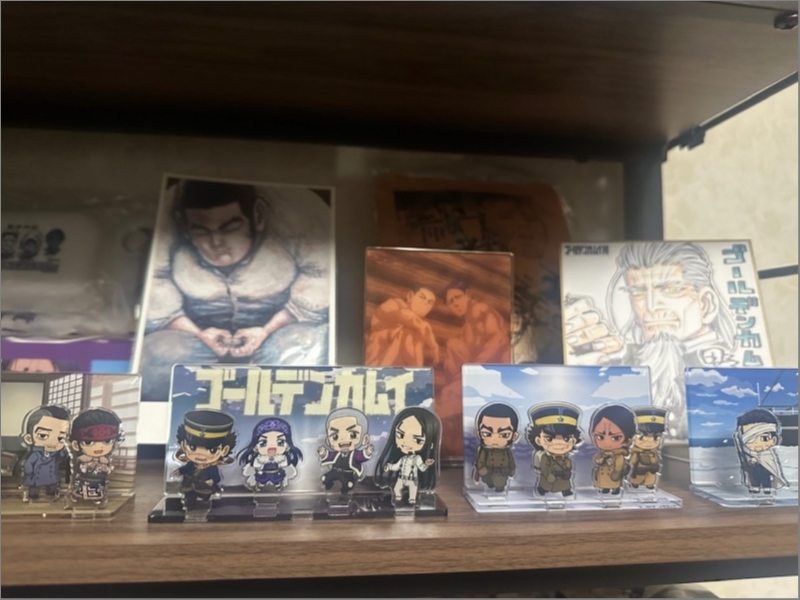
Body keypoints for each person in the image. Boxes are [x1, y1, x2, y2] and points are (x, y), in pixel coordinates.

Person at [140, 178, 330, 401]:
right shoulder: (168, 232)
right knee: (156, 355)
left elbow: (322, 278)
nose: (217, 242)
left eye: (231, 228)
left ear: (257, 216)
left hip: (280, 332)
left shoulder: (297, 224)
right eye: (202, 231)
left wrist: (266, 330)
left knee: (305, 348)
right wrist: (198, 333)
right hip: (192, 336)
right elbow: (155, 286)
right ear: (184, 227)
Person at [564, 242, 737, 438]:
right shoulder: (619, 361)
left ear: (705, 303)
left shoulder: (726, 372)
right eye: (638, 293)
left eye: (672, 289)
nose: (651, 306)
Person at [441, 281, 511, 451]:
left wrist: (474, 370)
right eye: (450, 302)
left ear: (468, 295)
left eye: (457, 297)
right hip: (478, 371)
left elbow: (497, 340)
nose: (455, 303)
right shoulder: (465, 329)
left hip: (495, 368)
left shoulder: (479, 309)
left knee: (450, 393)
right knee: (453, 346)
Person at [374, 407, 439, 505]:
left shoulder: (417, 458)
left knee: (413, 492)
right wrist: (389, 467)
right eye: (400, 435)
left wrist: (426, 464)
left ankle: (412, 500)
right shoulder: (403, 458)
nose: (406, 442)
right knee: (397, 489)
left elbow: (422, 468)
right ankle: (398, 498)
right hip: (401, 478)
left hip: (412, 480)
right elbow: (397, 466)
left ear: (430, 445)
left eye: (417, 440)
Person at [172, 410, 236, 509]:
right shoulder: (191, 464)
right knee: (189, 498)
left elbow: (217, 477)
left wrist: (212, 481)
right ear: (183, 445)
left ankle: (205, 504)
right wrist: (180, 471)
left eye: (212, 450)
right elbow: (186, 468)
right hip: (189, 486)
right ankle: (190, 506)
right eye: (192, 447)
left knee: (205, 499)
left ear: (224, 450)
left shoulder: (212, 467)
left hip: (204, 488)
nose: (201, 455)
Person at [365, 286, 439, 367]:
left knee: (417, 336)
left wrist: (433, 346)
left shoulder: (419, 325)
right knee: (406, 333)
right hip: (378, 358)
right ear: (410, 296)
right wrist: (434, 346)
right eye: (422, 297)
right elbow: (409, 318)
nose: (425, 303)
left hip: (400, 364)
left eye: (430, 302)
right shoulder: (394, 304)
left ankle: (416, 371)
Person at [69, 408, 123, 504]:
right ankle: (76, 496)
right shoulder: (82, 459)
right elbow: (79, 469)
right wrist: (87, 466)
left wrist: (106, 469)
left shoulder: (105, 460)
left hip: (99, 480)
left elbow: (109, 470)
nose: (99, 447)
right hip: (84, 479)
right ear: (76, 445)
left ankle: (97, 498)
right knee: (80, 489)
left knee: (97, 490)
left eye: (107, 441)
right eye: (88, 442)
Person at [527, 403, 582, 497]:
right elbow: (544, 466)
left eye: (566, 439)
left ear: (573, 441)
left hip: (562, 477)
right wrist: (548, 474)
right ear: (538, 440)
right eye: (549, 439)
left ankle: (566, 491)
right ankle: (541, 489)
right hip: (549, 477)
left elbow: (569, 464)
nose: (559, 443)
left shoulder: (565, 458)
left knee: (564, 485)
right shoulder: (545, 457)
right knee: (546, 485)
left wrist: (568, 466)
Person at [20, 405, 71, 501]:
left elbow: (61, 459)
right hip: (36, 477)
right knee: (34, 489)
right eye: (43, 435)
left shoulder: (56, 454)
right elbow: (28, 464)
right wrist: (29, 473)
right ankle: (33, 496)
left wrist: (65, 452)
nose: (53, 442)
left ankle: (51, 495)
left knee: (52, 487)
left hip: (51, 477)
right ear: (29, 438)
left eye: (60, 438)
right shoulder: (35, 455)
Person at [317, 408, 374, 495]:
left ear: (365, 439)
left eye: (352, 434)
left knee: (348, 483)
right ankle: (328, 484)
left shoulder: (354, 455)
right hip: (334, 470)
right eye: (335, 436)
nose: (343, 439)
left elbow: (361, 456)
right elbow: (329, 456)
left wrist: (367, 452)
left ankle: (345, 489)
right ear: (328, 441)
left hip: (347, 473)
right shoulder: (336, 454)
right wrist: (323, 453)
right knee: (325, 478)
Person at [237, 417, 303, 492]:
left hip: (277, 474)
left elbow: (285, 466)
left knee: (277, 479)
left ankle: (278, 485)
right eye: (263, 443)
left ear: (287, 446)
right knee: (262, 479)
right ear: (256, 447)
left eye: (280, 442)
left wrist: (288, 470)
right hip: (263, 474)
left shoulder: (282, 459)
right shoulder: (260, 459)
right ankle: (260, 485)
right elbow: (254, 466)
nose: (272, 447)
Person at [734, 408, 789, 495]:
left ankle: (767, 487)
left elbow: (771, 465)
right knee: (754, 477)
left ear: (773, 440)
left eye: (764, 438)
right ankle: (755, 487)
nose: (757, 444)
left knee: (765, 477)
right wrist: (750, 461)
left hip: (765, 470)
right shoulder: (749, 454)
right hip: (754, 469)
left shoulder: (768, 455)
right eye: (749, 440)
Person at [589, 404, 636, 495]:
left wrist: (616, 474)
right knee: (604, 483)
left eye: (616, 438)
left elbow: (619, 466)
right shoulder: (603, 454)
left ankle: (615, 489)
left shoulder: (619, 455)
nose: (606, 443)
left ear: (628, 440)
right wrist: (602, 458)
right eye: (600, 437)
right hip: (603, 476)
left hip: (613, 477)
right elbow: (597, 461)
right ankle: (605, 488)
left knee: (614, 483)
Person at [473, 403, 519, 493]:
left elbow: (511, 460)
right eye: (487, 433)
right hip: (488, 472)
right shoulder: (484, 450)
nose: (494, 439)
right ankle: (490, 484)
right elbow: (480, 461)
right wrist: (482, 469)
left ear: (514, 436)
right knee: (488, 481)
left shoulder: (506, 451)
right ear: (479, 434)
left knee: (500, 484)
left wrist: (511, 470)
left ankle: (499, 488)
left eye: (504, 434)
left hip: (502, 473)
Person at [627, 407, 668, 490]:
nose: (649, 441)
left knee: (650, 478)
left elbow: (657, 460)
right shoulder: (636, 452)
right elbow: (632, 462)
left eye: (656, 437)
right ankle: (635, 483)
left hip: (651, 473)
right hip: (638, 472)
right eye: (642, 437)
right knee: (637, 478)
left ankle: (649, 484)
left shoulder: (654, 452)